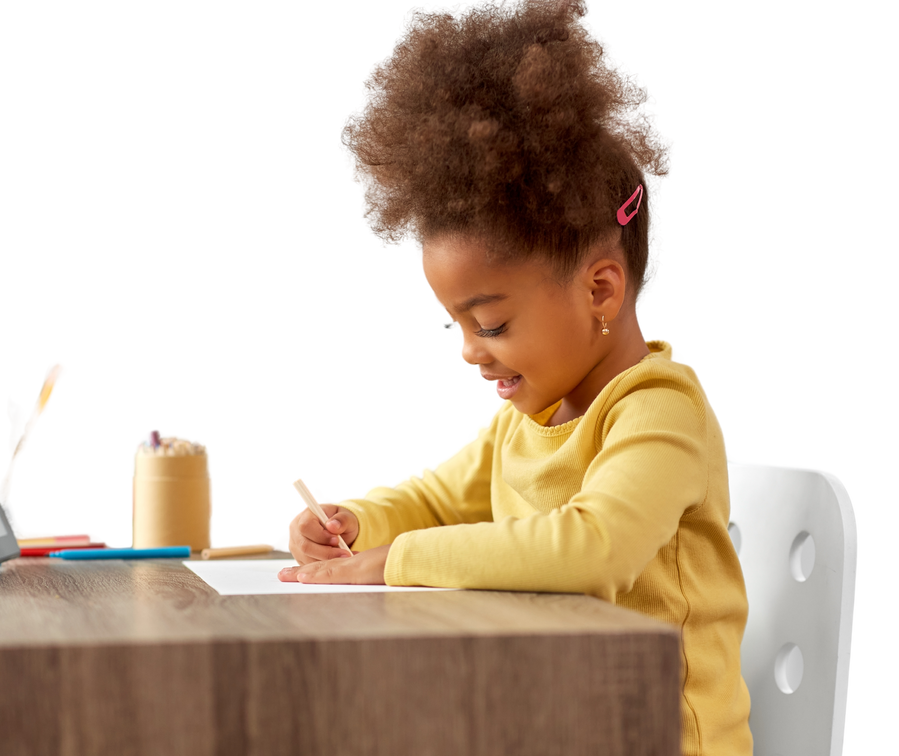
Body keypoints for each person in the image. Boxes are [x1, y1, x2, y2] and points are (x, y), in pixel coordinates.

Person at [281, 2, 751, 754]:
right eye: (452, 326)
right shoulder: (523, 423)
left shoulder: (657, 414)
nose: (470, 352)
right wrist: (357, 524)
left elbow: (595, 547)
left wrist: (394, 563)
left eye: (491, 324)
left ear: (598, 291)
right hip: (549, 716)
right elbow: (433, 498)